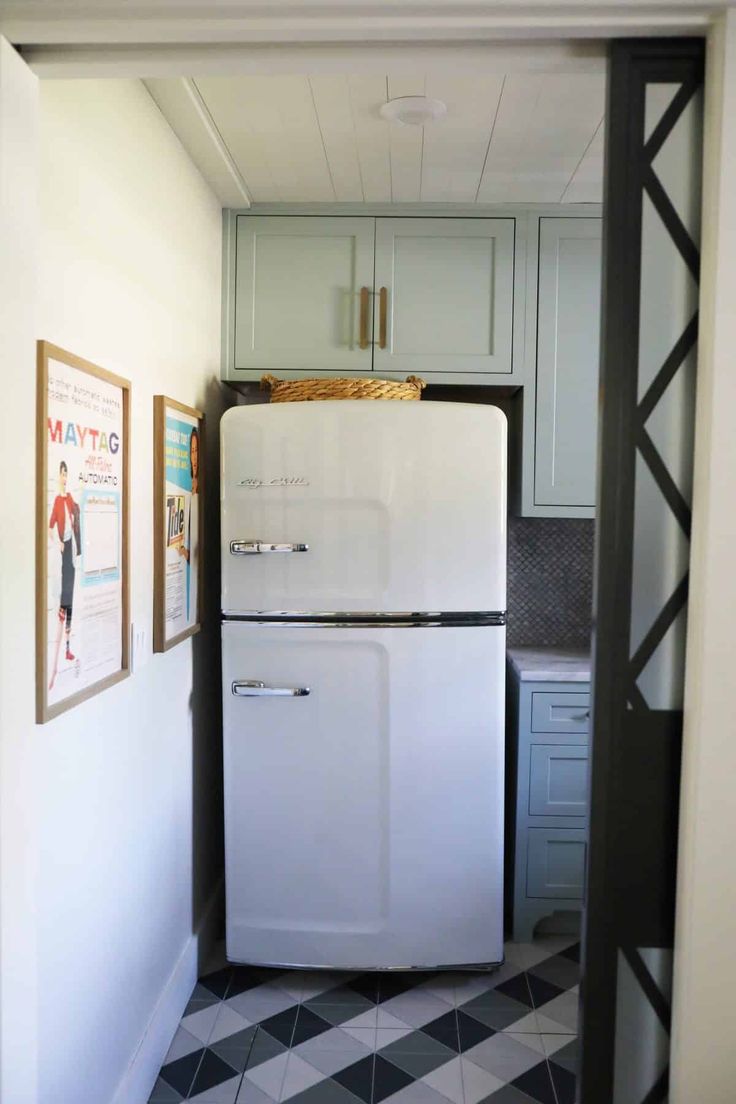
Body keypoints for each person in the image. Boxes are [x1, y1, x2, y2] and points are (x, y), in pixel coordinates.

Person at [48, 460, 81, 691]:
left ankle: (67, 648)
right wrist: (57, 541)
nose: (65, 476)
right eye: (63, 473)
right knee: (64, 601)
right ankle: (55, 664)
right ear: (58, 476)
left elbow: (76, 518)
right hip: (64, 551)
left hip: (73, 552)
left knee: (70, 604)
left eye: (66, 472)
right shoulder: (58, 501)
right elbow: (50, 525)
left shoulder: (69, 499)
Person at [178, 427, 199, 621]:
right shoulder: (188, 486)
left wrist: (187, 554)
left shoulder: (199, 487)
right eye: (191, 451)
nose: (194, 456)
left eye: (196, 451)